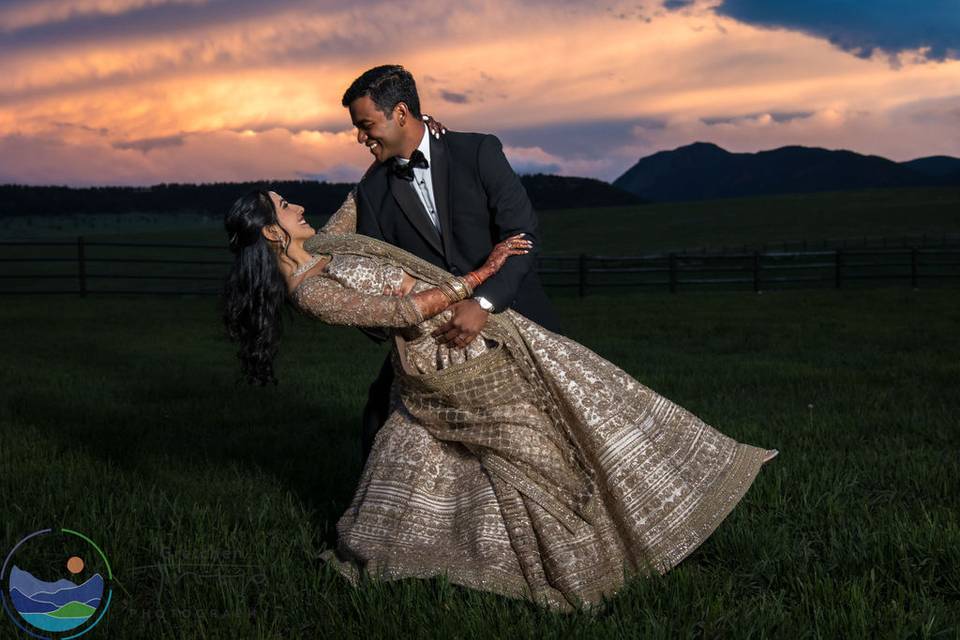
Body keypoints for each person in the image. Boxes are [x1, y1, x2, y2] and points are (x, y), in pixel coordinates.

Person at [221, 189, 779, 613]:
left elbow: (355, 202)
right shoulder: (313, 291)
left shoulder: (323, 245)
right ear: (272, 234)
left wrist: (388, 143)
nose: (297, 205)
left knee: (429, 445)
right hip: (448, 357)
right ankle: (579, 569)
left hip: (463, 342)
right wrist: (484, 277)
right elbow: (404, 315)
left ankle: (403, 549)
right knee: (532, 451)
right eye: (284, 205)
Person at [338, 64, 562, 467]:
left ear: (401, 113)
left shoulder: (477, 151)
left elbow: (523, 235)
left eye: (366, 124)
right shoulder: (371, 192)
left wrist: (485, 303)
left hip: (514, 312)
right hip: (437, 336)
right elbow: (377, 274)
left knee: (553, 432)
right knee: (378, 416)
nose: (360, 137)